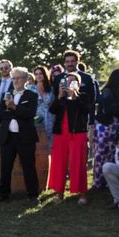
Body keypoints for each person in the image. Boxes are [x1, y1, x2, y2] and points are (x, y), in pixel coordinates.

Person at [0, 67, 39, 202]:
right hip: (7, 137)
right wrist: (17, 111)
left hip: (25, 137)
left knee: (28, 166)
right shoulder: (7, 94)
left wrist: (14, 108)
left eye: (18, 78)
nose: (15, 81)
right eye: (13, 78)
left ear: (25, 79)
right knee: (5, 167)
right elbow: (0, 113)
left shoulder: (31, 95)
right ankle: (3, 194)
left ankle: (32, 195)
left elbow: (30, 113)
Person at [48, 72, 90, 204]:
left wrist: (75, 96)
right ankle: (59, 193)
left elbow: (86, 109)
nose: (70, 84)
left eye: (73, 81)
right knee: (59, 163)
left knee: (78, 163)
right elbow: (52, 110)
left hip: (77, 134)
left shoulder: (83, 96)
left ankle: (82, 193)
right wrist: (60, 96)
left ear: (78, 84)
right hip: (61, 134)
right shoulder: (61, 98)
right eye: (67, 81)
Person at [93, 69, 119, 190]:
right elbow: (108, 110)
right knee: (100, 154)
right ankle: (97, 183)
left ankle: (109, 182)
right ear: (118, 79)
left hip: (114, 125)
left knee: (112, 154)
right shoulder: (107, 91)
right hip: (103, 126)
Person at [32, 65, 55, 144]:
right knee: (39, 144)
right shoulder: (31, 89)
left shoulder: (51, 89)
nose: (38, 76)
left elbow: (53, 104)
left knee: (50, 144)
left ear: (45, 74)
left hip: (50, 119)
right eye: (36, 74)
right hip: (37, 119)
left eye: (40, 73)